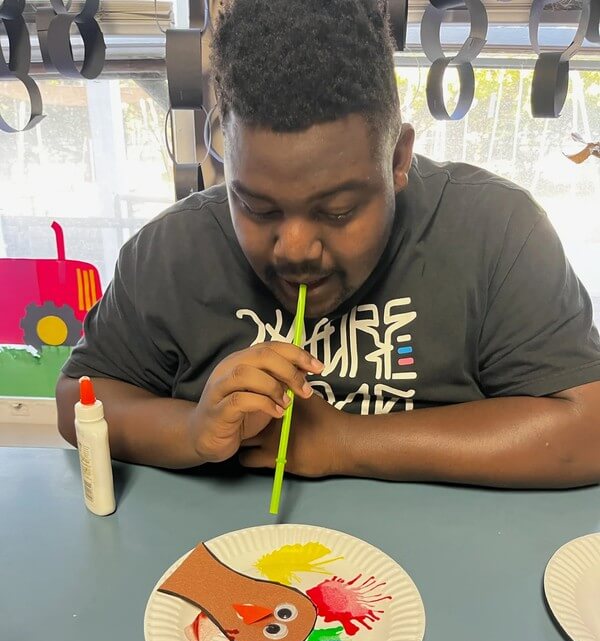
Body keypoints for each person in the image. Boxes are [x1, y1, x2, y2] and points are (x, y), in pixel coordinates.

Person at [56, 0, 600, 488]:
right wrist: (192, 430)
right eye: (257, 207)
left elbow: (588, 429)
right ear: (226, 152)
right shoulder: (170, 251)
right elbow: (75, 401)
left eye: (338, 210)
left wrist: (341, 442)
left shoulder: (498, 232)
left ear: (398, 159)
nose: (294, 248)